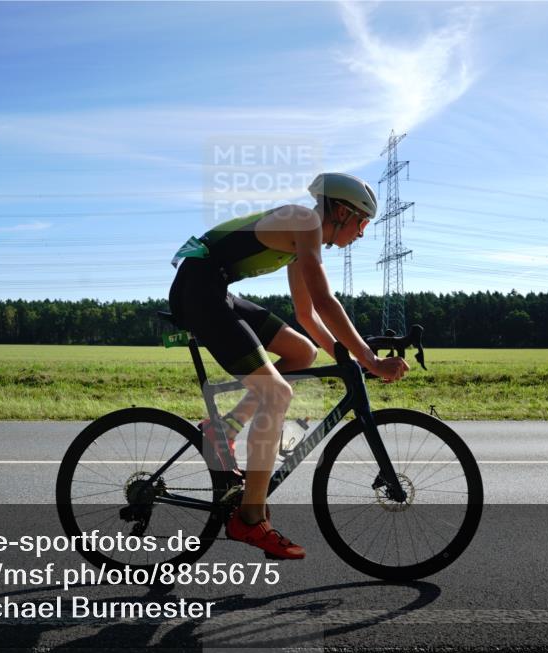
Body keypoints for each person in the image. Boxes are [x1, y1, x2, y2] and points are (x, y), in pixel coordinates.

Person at [167, 172, 409, 560]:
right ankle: (249, 518)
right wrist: (371, 359)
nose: (363, 234)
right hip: (199, 291)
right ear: (343, 213)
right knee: (278, 393)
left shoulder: (302, 237)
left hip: (214, 288)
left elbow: (308, 316)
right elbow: (325, 301)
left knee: (302, 353)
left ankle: (222, 429)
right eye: (363, 223)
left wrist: (347, 359)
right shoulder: (306, 221)